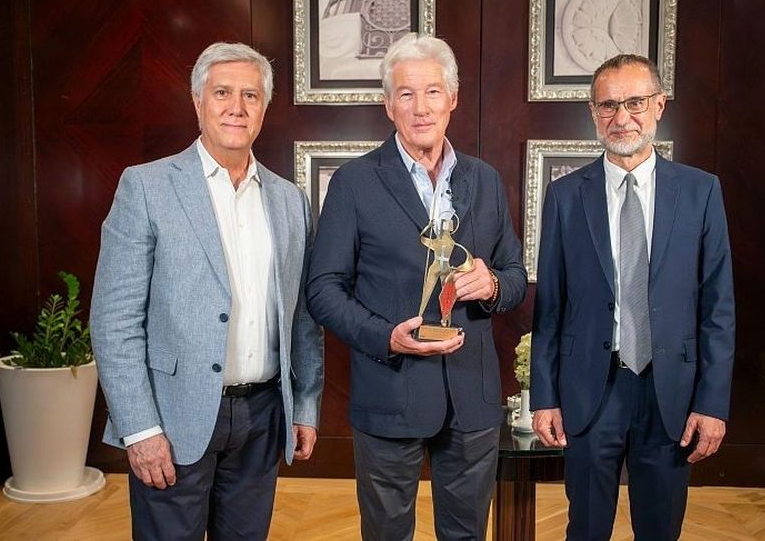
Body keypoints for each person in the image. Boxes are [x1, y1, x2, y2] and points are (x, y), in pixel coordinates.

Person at [90, 42, 324, 541]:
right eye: (222, 93)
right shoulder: (147, 187)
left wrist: (304, 405)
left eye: (250, 95)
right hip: (172, 418)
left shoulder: (290, 200)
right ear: (198, 102)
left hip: (263, 417)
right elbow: (114, 322)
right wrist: (140, 428)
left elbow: (303, 318)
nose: (236, 107)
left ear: (264, 108)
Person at [306, 33, 527, 540]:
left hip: (472, 399)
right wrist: (385, 337)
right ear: (389, 105)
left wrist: (492, 284)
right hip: (389, 391)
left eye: (432, 92)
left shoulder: (485, 180)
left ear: (453, 99)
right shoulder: (354, 183)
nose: (421, 107)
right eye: (406, 94)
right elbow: (323, 289)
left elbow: (515, 277)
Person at [530, 53, 735, 540]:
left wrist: (713, 403)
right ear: (593, 113)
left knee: (660, 530)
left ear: (659, 105)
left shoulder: (701, 192)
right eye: (608, 105)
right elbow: (550, 306)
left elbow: (718, 307)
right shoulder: (565, 197)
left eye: (635, 102)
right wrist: (545, 397)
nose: (621, 117)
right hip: (590, 390)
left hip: (671, 394)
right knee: (585, 529)